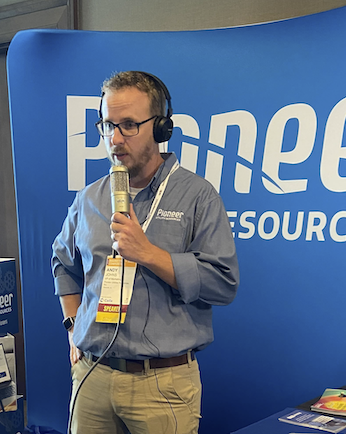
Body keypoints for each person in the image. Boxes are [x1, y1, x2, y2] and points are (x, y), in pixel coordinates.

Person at [51, 71, 240, 434]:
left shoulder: (198, 196)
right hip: (92, 375)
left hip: (162, 384)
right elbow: (62, 263)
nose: (115, 139)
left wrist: (149, 253)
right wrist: (72, 326)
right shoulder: (89, 198)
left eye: (129, 125)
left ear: (161, 127)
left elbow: (223, 283)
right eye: (108, 125)